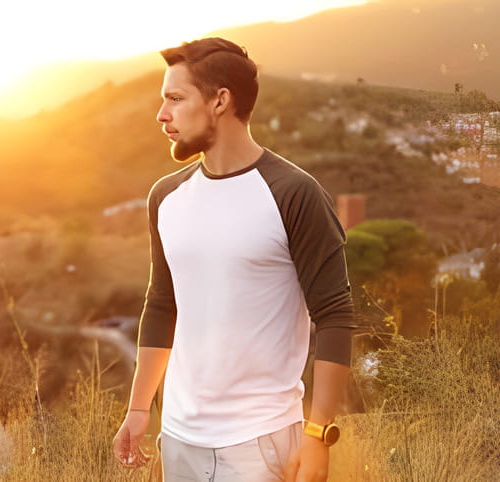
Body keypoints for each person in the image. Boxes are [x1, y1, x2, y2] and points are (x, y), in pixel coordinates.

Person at [112, 37, 356, 481]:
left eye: (175, 98)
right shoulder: (165, 197)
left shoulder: (294, 194)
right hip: (179, 438)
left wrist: (318, 435)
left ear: (220, 101)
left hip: (259, 442)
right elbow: (162, 304)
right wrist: (138, 409)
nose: (161, 115)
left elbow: (336, 315)